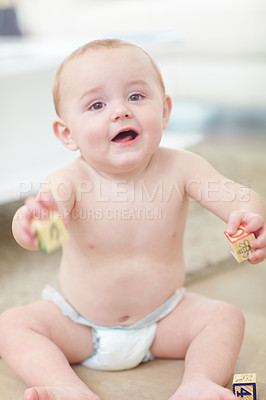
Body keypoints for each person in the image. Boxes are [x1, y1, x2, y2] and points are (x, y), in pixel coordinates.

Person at [0, 39, 265, 400]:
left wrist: (250, 218)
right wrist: (31, 223)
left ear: (166, 111)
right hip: (79, 324)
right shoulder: (70, 180)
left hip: (164, 320)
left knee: (226, 318)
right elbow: (40, 228)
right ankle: (66, 387)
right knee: (12, 324)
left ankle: (198, 383)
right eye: (97, 104)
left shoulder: (182, 167)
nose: (121, 112)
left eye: (136, 97)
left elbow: (236, 196)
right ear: (67, 134)